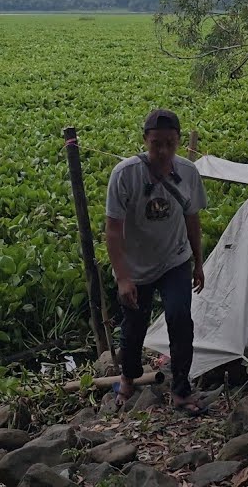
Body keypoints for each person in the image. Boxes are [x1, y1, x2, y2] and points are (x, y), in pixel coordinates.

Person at [104, 108, 208, 415]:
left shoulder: (187, 172)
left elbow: (193, 220)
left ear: (178, 141)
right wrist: (123, 278)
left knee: (180, 318)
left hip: (175, 259)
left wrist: (198, 262)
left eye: (170, 144)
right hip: (136, 265)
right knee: (134, 326)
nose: (163, 151)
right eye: (156, 144)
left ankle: (181, 390)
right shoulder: (125, 175)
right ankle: (128, 378)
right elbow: (113, 230)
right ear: (144, 141)